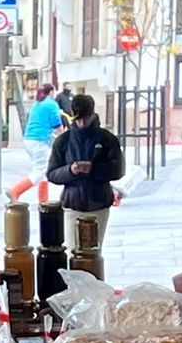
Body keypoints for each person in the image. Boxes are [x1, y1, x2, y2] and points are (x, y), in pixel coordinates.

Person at [46, 92, 124, 247]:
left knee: (93, 252)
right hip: (71, 204)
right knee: (71, 251)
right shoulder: (64, 141)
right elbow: (52, 174)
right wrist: (70, 170)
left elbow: (118, 170)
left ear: (92, 115)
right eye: (78, 119)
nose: (81, 123)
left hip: (99, 204)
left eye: (85, 118)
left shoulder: (107, 138)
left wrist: (93, 169)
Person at [23, 83, 64, 170]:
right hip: (39, 141)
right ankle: (17, 185)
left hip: (29, 139)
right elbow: (57, 125)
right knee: (41, 171)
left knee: (44, 171)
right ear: (51, 92)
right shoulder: (52, 104)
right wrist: (65, 136)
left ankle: (44, 184)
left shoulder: (36, 104)